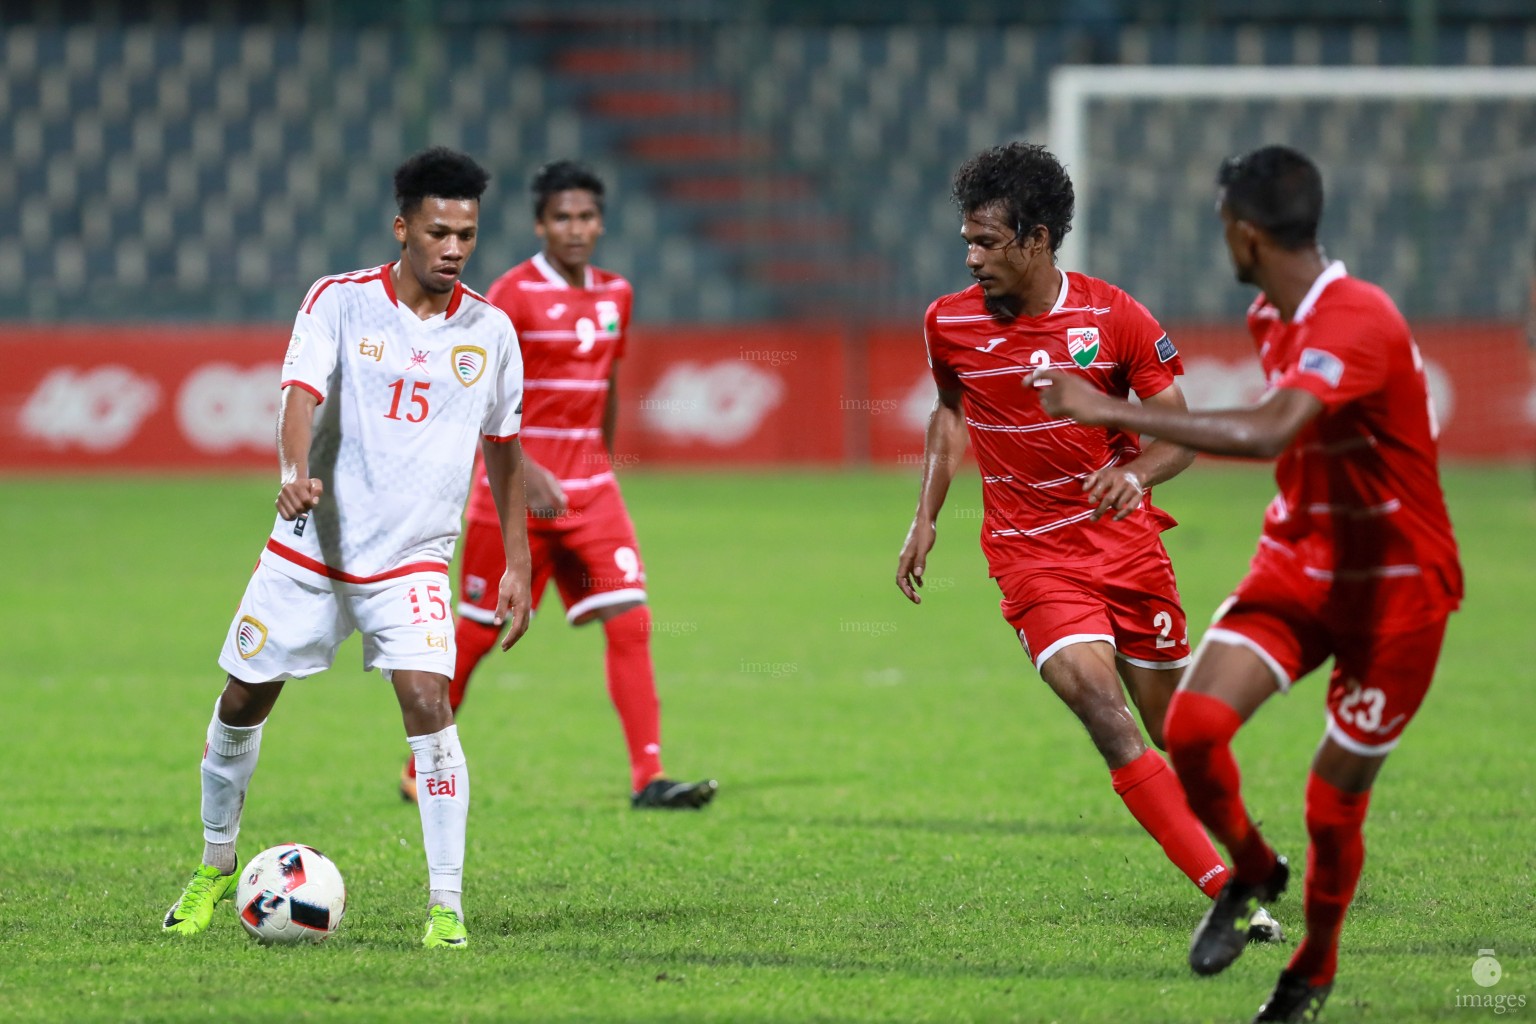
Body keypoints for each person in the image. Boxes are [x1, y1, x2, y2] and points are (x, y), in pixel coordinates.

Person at [1033, 144, 1463, 1023]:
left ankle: (1313, 964)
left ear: (1244, 230)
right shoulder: (1274, 315)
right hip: (1302, 563)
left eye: (1221, 223)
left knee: (1332, 801)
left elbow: (1272, 429)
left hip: (1397, 593)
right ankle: (1255, 873)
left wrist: (1105, 408)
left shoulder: (1358, 317)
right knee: (1191, 728)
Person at [896, 142, 1279, 939]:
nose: (970, 259)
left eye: (987, 242)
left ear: (1037, 239)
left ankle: (1250, 855)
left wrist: (1136, 476)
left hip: (1126, 546)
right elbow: (950, 412)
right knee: (1101, 709)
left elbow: (1181, 433)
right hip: (1030, 555)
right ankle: (1225, 892)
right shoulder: (947, 322)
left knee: (1184, 740)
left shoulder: (1113, 316)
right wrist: (926, 514)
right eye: (965, 240)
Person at [161, 147, 533, 950]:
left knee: (430, 706)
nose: (455, 248)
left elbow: (503, 448)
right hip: (310, 553)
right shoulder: (338, 301)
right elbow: (300, 394)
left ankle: (446, 908)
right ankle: (215, 863)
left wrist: (518, 563)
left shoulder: (492, 331)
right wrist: (294, 471)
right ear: (403, 228)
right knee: (241, 703)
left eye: (468, 234)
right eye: (439, 231)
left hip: (410, 561)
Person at [399, 159, 716, 810]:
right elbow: (474, 390)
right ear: (541, 225)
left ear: (601, 222)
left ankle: (648, 778)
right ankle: (418, 762)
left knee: (630, 620)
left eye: (587, 216)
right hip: (514, 493)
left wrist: (599, 459)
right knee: (480, 633)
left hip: (591, 491)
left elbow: (609, 386)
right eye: (563, 217)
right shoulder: (512, 295)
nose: (577, 229)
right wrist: (528, 469)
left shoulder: (615, 294)